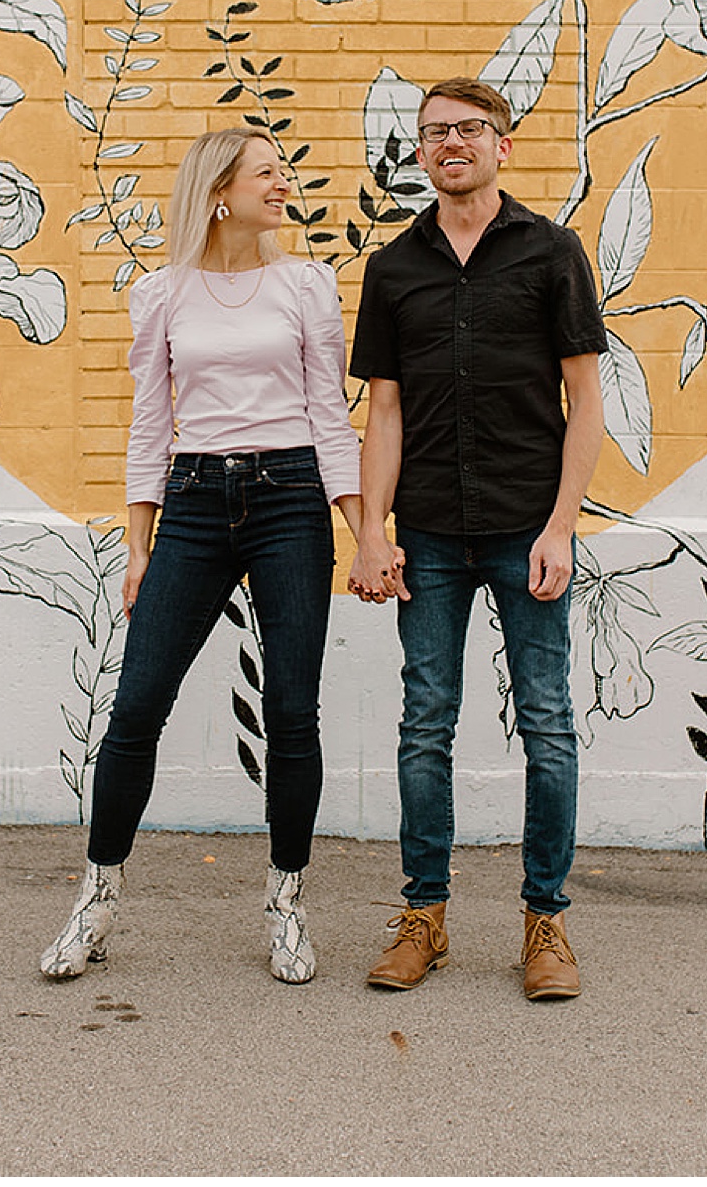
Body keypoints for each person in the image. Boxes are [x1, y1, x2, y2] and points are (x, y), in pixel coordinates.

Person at [40, 128, 366, 985]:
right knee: (137, 704)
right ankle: (97, 898)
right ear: (220, 190)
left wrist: (363, 527)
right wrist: (139, 546)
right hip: (190, 502)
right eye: (269, 171)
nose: (284, 182)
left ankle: (286, 903)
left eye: (283, 169)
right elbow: (149, 424)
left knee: (292, 711)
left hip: (291, 500)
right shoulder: (162, 294)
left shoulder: (306, 284)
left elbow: (331, 417)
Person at [347, 77, 605, 1001]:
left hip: (527, 530)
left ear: (503, 144)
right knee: (425, 726)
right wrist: (370, 532)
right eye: (432, 134)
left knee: (547, 724)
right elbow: (384, 410)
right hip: (427, 535)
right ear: (419, 155)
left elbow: (587, 408)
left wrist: (562, 527)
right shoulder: (393, 268)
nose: (449, 143)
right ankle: (425, 917)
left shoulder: (552, 253)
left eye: (468, 129)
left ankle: (546, 923)